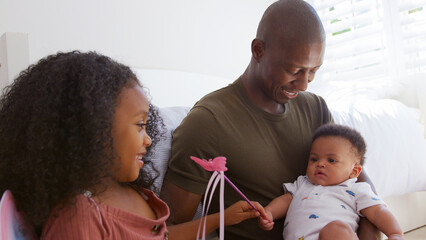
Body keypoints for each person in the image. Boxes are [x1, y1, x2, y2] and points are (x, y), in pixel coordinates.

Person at [160, 0, 380, 239]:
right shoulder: (208, 122)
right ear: (258, 50)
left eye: (313, 71)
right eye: (294, 70)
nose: (304, 84)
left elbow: (363, 190)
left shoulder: (316, 108)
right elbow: (168, 230)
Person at [0, 51, 263, 239]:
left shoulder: (131, 191)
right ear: (92, 129)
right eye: (139, 125)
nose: (149, 139)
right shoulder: (78, 217)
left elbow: (166, 235)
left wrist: (222, 218)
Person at [258, 123, 404, 240]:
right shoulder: (303, 183)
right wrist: (269, 212)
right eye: (314, 159)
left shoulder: (356, 189)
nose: (320, 164)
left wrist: (395, 233)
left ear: (354, 171)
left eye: (331, 160)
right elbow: (285, 201)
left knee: (336, 230)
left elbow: (378, 212)